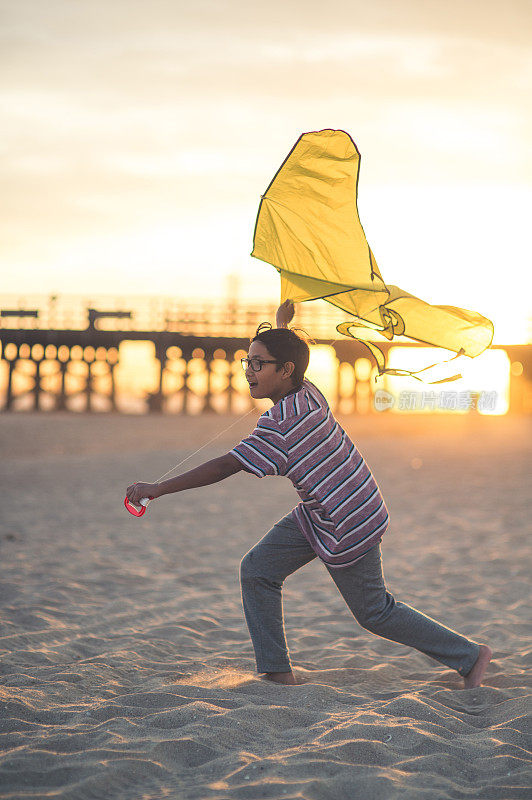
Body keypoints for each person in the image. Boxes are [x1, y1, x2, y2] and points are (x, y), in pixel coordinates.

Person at [126, 301, 492, 688]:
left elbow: (225, 465)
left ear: (286, 370)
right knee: (258, 569)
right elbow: (295, 360)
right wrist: (284, 326)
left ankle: (470, 656)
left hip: (349, 517)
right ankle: (277, 672)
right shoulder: (308, 389)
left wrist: (158, 488)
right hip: (322, 512)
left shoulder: (280, 424)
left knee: (375, 612)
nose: (250, 371)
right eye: (247, 362)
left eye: (259, 364)